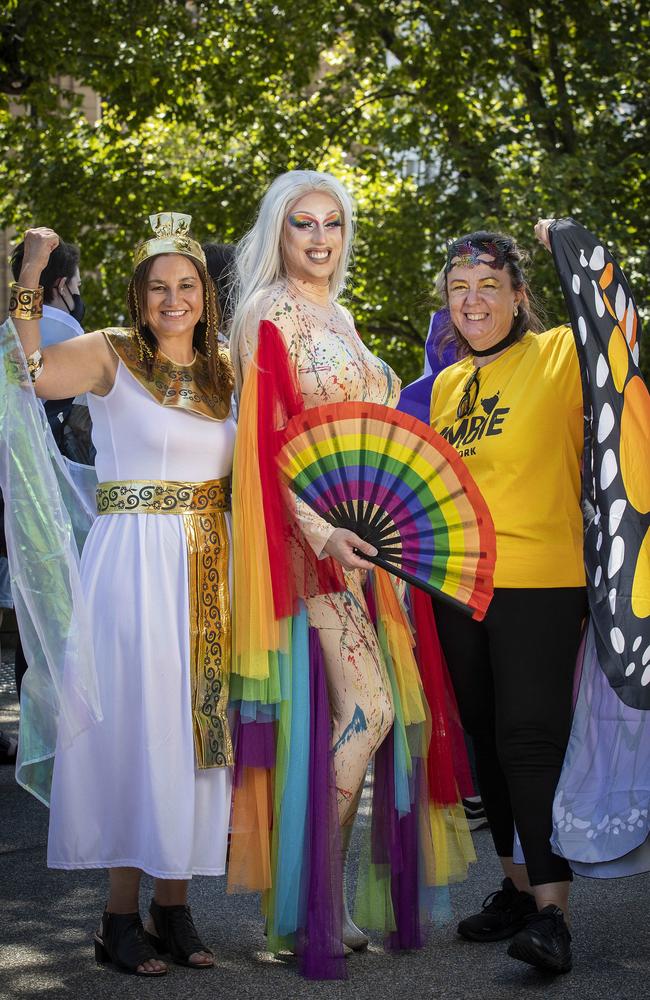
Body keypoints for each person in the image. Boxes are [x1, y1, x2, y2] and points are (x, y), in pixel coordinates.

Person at [226, 169, 474, 979]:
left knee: (355, 714)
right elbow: (264, 448)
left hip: (367, 552)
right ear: (280, 231)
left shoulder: (342, 313)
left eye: (333, 223)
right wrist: (323, 531)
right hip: (310, 548)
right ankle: (313, 902)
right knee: (368, 708)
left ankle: (309, 905)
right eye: (304, 224)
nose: (321, 238)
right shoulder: (268, 314)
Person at [8, 213, 235, 977]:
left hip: (208, 570)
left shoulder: (228, 370)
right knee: (137, 729)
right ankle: (117, 917)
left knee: (197, 737)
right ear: (139, 299)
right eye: (158, 288)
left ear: (205, 294)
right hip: (131, 568)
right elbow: (25, 371)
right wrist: (32, 277)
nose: (174, 300)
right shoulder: (110, 354)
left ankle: (175, 906)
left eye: (187, 285)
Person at [428, 227, 588, 975]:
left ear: (520, 294)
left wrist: (570, 245)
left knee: (530, 737)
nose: (473, 301)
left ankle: (553, 916)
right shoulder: (449, 384)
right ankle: (517, 888)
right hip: (460, 582)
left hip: (543, 578)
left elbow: (620, 324)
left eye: (489, 286)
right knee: (487, 737)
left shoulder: (560, 353)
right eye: (460, 290)